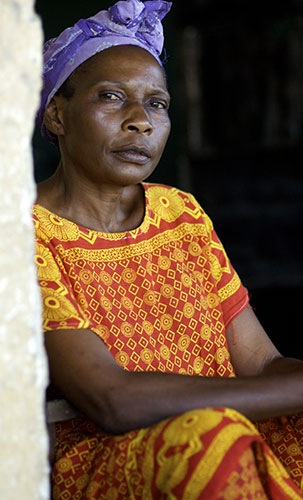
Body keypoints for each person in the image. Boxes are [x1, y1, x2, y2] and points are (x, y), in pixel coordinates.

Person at [34, 1, 303, 498]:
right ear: (57, 113)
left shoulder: (180, 213)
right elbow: (111, 400)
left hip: (227, 428)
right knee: (211, 439)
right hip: (110, 457)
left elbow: (262, 364)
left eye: (157, 103)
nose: (140, 121)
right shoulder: (24, 235)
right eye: (111, 97)